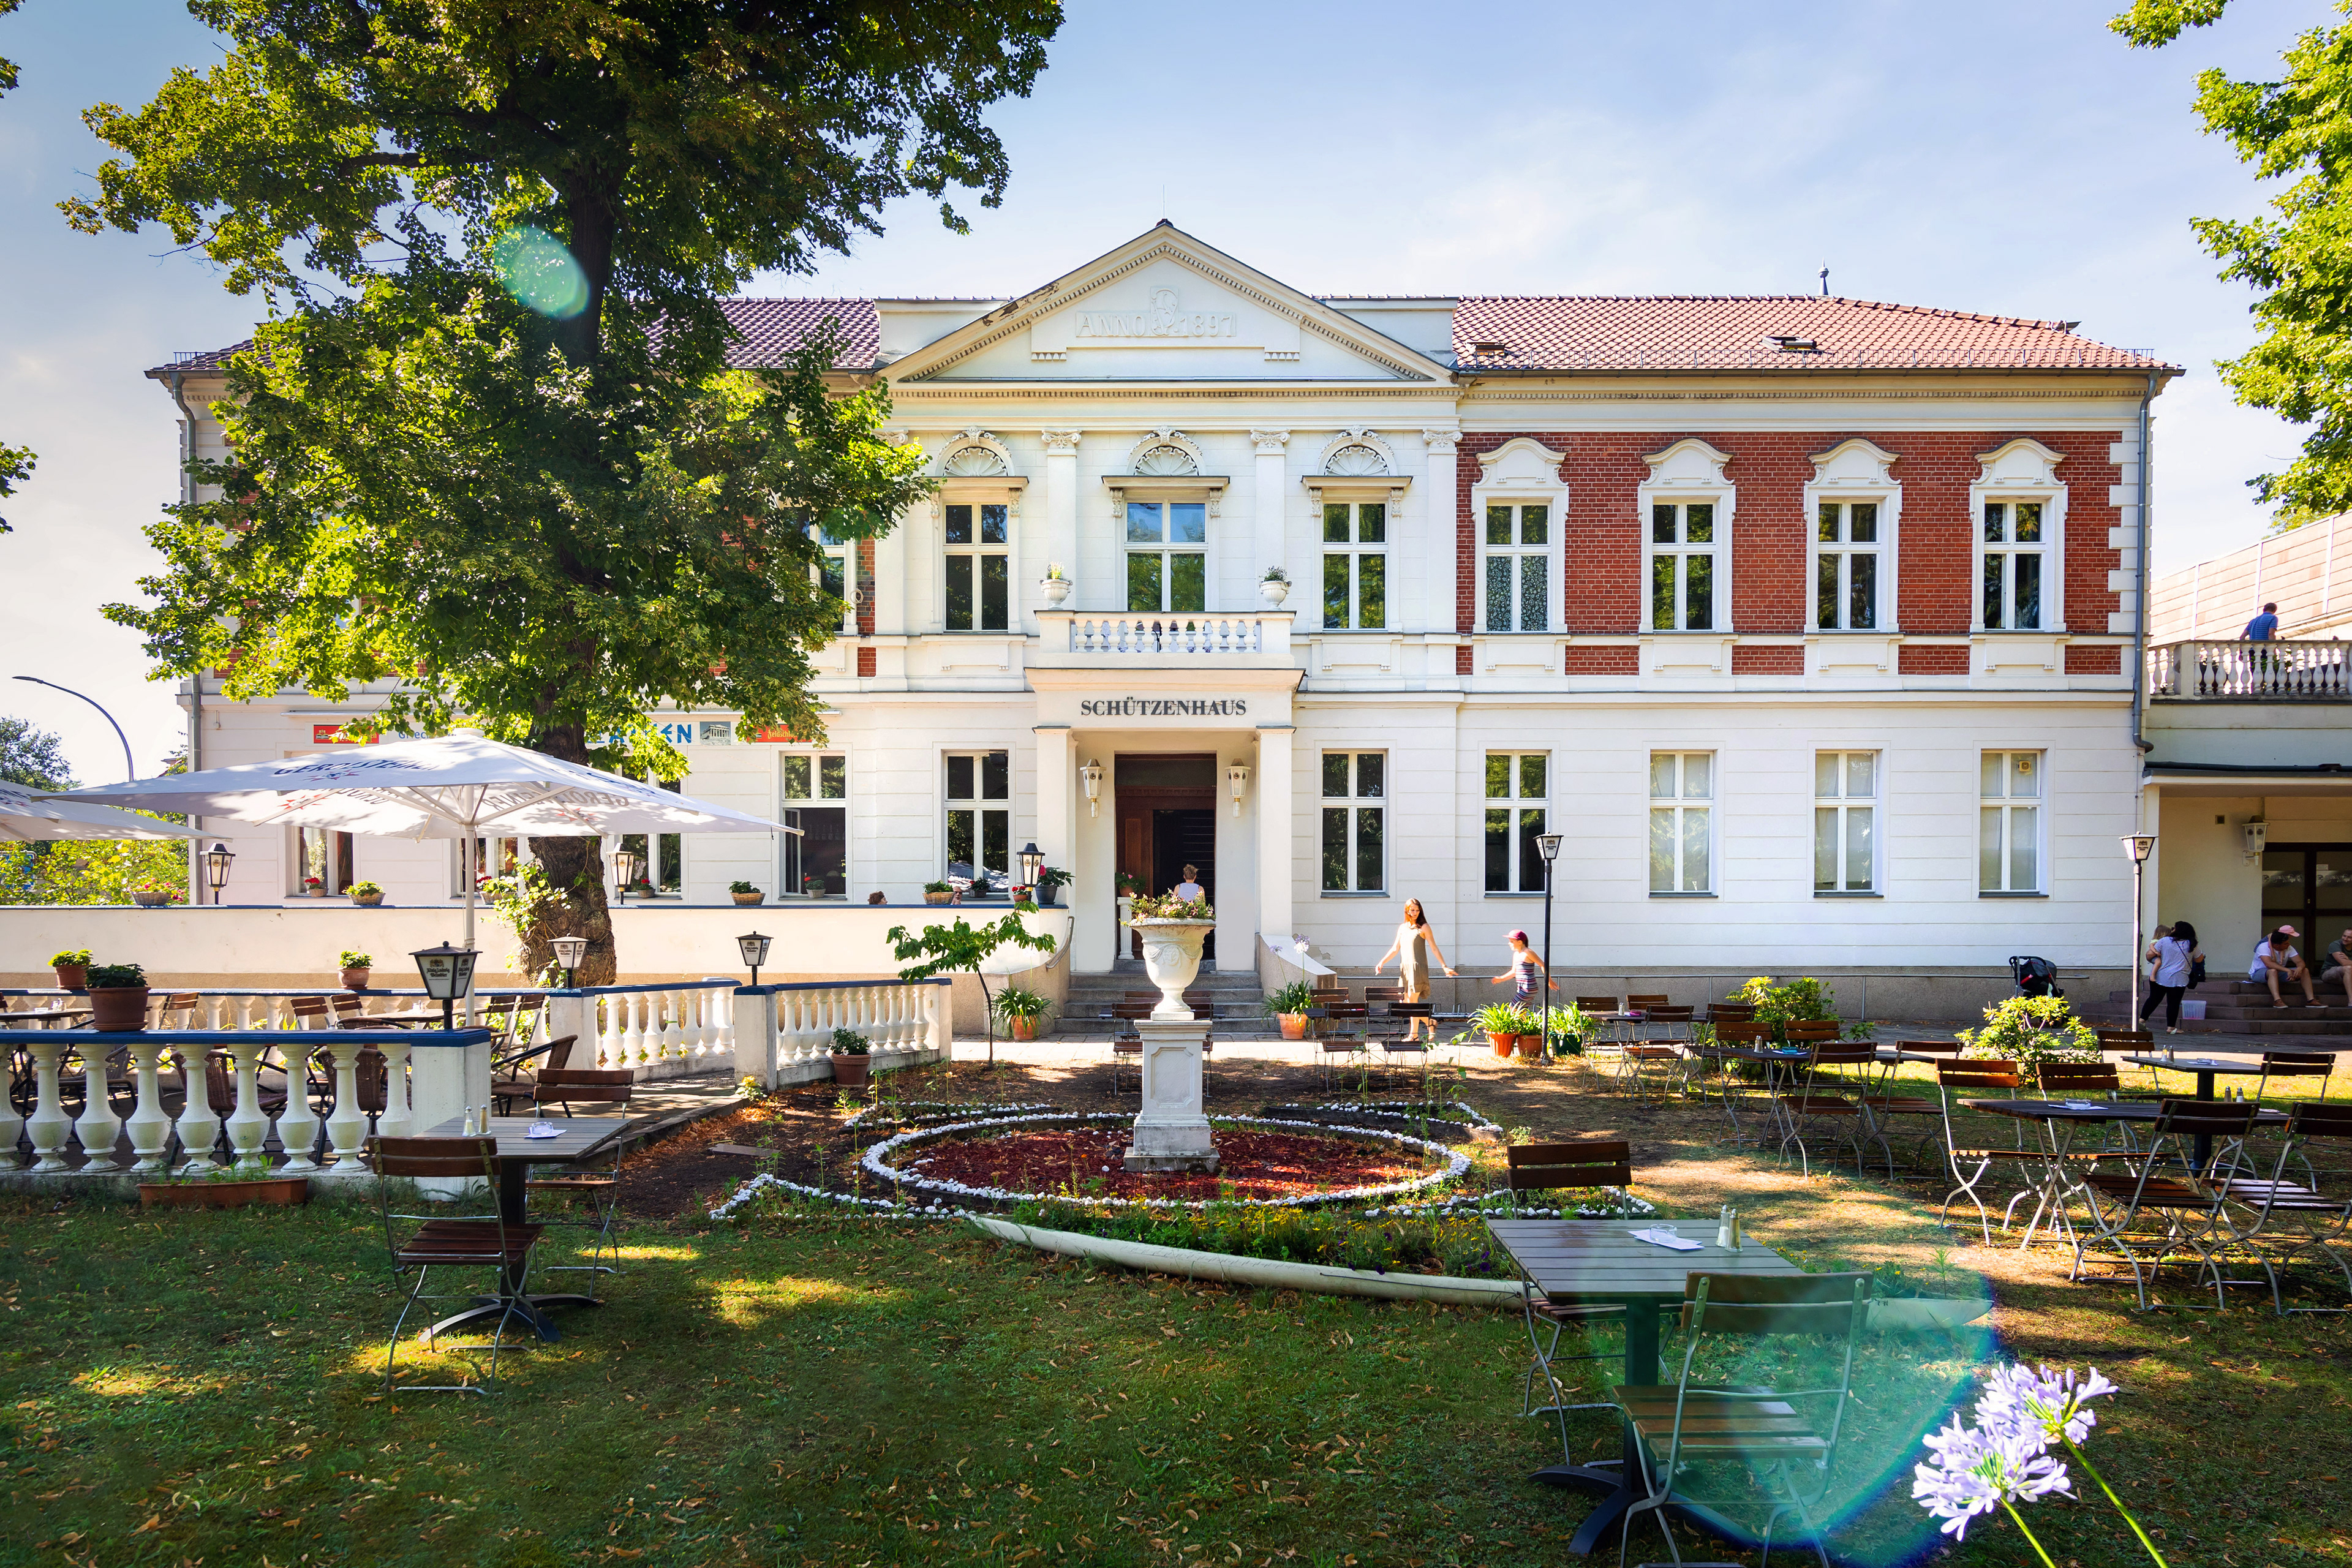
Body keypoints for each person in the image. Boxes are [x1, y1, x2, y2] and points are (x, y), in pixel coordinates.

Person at [1374, 898, 1458, 1041]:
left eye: (1417, 910)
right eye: (1412, 910)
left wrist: (1444, 966)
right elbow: (1395, 949)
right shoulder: (1403, 928)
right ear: (1407, 910)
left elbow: (1434, 947)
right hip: (1405, 970)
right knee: (1406, 1003)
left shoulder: (1423, 927)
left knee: (1412, 1002)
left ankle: (1414, 1035)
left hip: (1418, 968)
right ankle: (1430, 1022)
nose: (1415, 913)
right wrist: (1382, 961)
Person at [2141, 919, 2201, 1035]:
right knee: (2174, 1003)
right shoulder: (2193, 944)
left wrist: (2155, 959)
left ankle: (2142, 1020)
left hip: (2160, 976)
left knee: (2154, 999)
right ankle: (2171, 1028)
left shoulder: (2165, 941)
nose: (2172, 929)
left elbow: (2150, 954)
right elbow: (2199, 959)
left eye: (2175, 928)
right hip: (2180, 978)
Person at [2251, 923, 2319, 1008]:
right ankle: (2277, 1000)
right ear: (2276, 945)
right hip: (2259, 973)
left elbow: (2300, 962)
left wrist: (2299, 969)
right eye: (2286, 944)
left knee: (2305, 971)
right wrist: (2287, 970)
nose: (2288, 945)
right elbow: (2269, 964)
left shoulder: (2288, 947)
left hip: (2278, 972)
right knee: (2273, 971)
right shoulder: (2263, 947)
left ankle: (2311, 1000)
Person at [1488, 929, 1556, 1006]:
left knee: (1513, 1008)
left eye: (1512, 942)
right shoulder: (1516, 954)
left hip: (1528, 987)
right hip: (1522, 987)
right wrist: (1501, 979)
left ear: (1520, 942)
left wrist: (1549, 981)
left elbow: (1542, 965)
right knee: (1522, 1011)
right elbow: (1514, 972)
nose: (1509, 944)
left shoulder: (1528, 952)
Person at [2323, 929, 2352, 1009]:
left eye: (2349, 937)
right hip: (2329, 972)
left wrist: (2349, 961)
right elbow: (2344, 963)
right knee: (2348, 968)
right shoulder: (2335, 945)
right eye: (2344, 936)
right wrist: (2348, 962)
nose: (2345, 939)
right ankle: (2351, 1001)